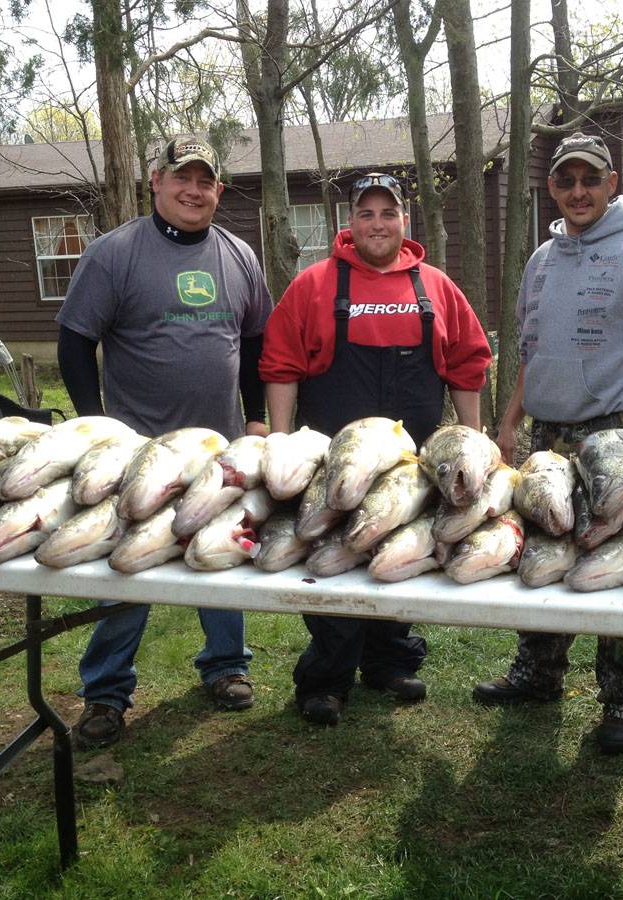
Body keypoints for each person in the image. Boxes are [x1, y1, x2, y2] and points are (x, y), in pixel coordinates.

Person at [472, 132, 623, 754]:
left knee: (620, 563)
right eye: (565, 180)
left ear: (611, 185)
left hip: (618, 434)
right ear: (551, 188)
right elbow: (529, 351)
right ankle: (538, 673)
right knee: (543, 548)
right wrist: (508, 421)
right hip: (547, 438)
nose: (578, 191)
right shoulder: (541, 261)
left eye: (589, 180)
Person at [56, 136, 274, 749]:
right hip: (138, 453)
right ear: (156, 181)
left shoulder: (238, 257)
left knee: (222, 555)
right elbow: (75, 341)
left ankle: (227, 666)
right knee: (126, 568)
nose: (194, 190)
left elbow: (257, 342)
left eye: (206, 181)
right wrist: (97, 426)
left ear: (219, 191)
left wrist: (255, 418)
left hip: (220, 449)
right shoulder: (114, 253)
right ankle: (105, 693)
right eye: (182, 177)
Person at [260, 173, 492, 726]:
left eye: (388, 213)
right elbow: (281, 363)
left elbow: (466, 363)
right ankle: (327, 679)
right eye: (366, 214)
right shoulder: (314, 285)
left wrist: (474, 437)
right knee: (332, 562)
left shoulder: (435, 286)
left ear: (404, 220)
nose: (378, 224)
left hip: (412, 463)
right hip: (335, 460)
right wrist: (281, 437)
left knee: (398, 553)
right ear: (350, 224)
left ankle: (388, 661)